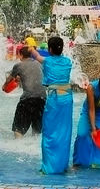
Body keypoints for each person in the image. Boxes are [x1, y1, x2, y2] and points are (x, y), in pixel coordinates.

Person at [32, 36, 73, 174]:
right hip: (67, 99)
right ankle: (62, 166)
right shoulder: (68, 62)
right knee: (64, 132)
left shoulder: (47, 61)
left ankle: (49, 167)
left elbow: (36, 55)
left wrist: (31, 48)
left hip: (55, 99)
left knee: (49, 132)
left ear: (49, 49)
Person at [6, 46, 45, 138]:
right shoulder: (38, 64)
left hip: (27, 99)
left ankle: (18, 147)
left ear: (20, 55)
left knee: (18, 128)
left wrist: (4, 86)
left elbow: (9, 79)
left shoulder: (18, 65)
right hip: (42, 98)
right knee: (37, 129)